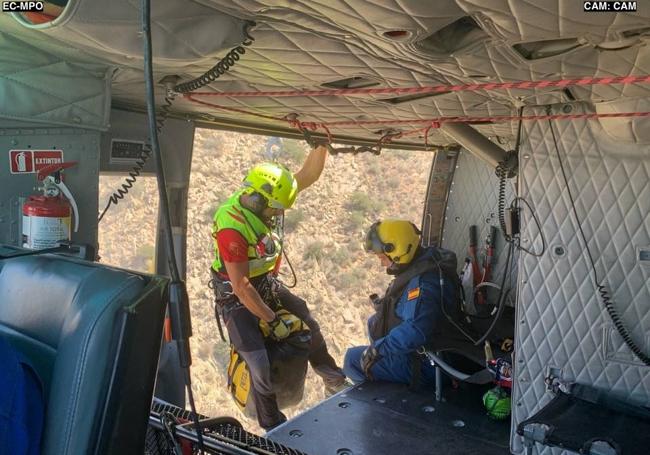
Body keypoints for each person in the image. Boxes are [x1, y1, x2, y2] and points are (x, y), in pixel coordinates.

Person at [210, 144, 346, 430]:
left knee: (307, 321)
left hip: (265, 283)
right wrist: (271, 320)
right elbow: (241, 286)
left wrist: (320, 142)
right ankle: (273, 424)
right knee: (258, 361)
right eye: (274, 208)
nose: (277, 214)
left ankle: (334, 380)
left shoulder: (269, 195)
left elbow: (307, 175)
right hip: (236, 295)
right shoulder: (232, 227)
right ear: (258, 200)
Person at [343, 219, 460, 386]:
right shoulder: (423, 264)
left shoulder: (424, 284)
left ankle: (380, 406)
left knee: (352, 360)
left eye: (383, 257)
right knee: (373, 324)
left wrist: (378, 350)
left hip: (428, 365)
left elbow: (416, 331)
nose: (382, 263)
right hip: (426, 353)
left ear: (398, 250)